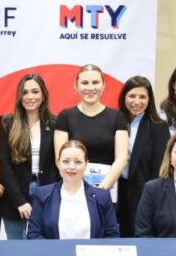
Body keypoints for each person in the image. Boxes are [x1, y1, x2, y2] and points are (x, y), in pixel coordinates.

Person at [0, 73, 58, 239]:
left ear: (43, 95)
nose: (30, 97)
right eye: (25, 92)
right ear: (19, 96)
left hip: (47, 191)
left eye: (35, 92)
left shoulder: (55, 123)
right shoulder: (7, 122)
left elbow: (57, 163)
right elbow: (4, 164)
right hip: (15, 194)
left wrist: (52, 195)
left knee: (44, 244)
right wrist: (19, 200)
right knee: (16, 246)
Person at [54, 64, 128, 200]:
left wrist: (101, 189)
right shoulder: (65, 116)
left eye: (95, 82)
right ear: (76, 86)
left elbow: (122, 158)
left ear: (103, 86)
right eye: (84, 83)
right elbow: (60, 159)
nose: (90, 88)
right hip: (74, 192)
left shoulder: (117, 117)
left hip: (106, 192)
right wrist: (79, 189)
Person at [116, 76, 170, 237]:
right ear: (124, 97)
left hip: (143, 193)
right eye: (132, 96)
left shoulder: (158, 126)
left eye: (142, 97)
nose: (137, 101)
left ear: (149, 100)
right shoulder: (115, 121)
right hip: (116, 190)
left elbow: (160, 167)